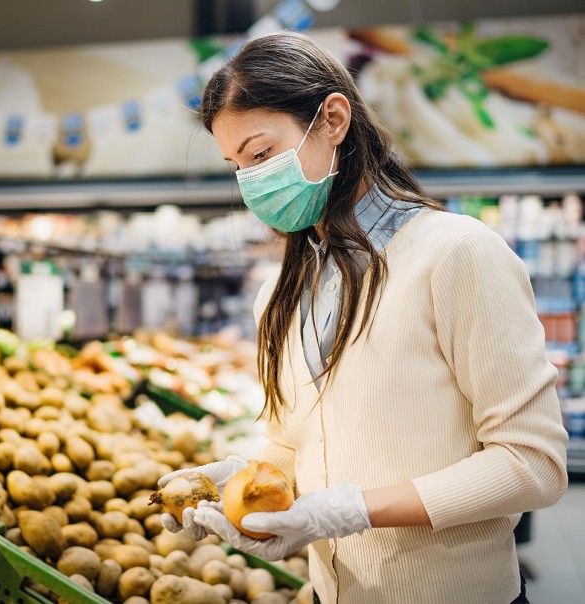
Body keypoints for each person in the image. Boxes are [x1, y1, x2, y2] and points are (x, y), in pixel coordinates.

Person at [159, 31, 569, 604]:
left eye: (260, 155)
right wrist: (240, 483)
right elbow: (294, 445)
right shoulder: (278, 292)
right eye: (236, 166)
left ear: (332, 119)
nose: (250, 184)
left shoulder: (457, 254)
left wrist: (353, 510)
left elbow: (532, 464)